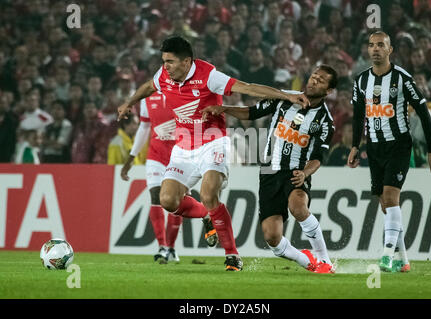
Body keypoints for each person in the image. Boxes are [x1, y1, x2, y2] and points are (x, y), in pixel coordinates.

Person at [117, 35, 309, 271]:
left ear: (187, 62)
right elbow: (148, 86)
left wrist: (286, 95)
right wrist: (129, 102)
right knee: (167, 201)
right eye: (164, 61)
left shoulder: (209, 75)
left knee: (208, 194)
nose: (165, 67)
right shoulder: (164, 75)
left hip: (212, 143)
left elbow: (247, 88)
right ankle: (207, 216)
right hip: (184, 146)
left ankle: (232, 255)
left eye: (170, 62)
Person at [202, 65, 338, 273]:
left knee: (298, 207)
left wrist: (305, 173)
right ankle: (307, 261)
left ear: (328, 91)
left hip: (295, 174)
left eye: (320, 81)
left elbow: (319, 157)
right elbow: (251, 113)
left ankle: (325, 261)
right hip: (269, 172)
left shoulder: (325, 121)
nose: (314, 81)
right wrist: (225, 109)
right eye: (313, 76)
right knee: (272, 238)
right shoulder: (285, 98)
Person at [347, 31, 431, 273]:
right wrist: (356, 146)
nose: (375, 49)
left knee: (390, 197)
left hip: (399, 145)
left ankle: (387, 255)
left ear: (390, 50)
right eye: (371, 45)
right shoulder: (361, 81)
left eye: (381, 45)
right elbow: (358, 117)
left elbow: (422, 112)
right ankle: (403, 259)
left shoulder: (402, 78)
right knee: (385, 205)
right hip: (375, 147)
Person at [120, 91, 218, 263]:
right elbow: (144, 127)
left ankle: (171, 248)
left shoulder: (184, 93)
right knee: (156, 195)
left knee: (177, 200)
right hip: (156, 156)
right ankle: (162, 247)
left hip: (182, 155)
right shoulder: (147, 98)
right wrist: (131, 156)